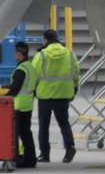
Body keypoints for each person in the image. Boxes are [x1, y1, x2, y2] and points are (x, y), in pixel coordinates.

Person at [32, 29, 80, 163]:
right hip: (63, 94)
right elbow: (76, 73)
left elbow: (34, 74)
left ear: (45, 40)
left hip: (45, 95)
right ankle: (70, 147)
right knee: (64, 123)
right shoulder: (69, 54)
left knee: (44, 125)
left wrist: (33, 90)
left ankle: (44, 153)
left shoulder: (41, 55)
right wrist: (74, 89)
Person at [4, 41, 38, 169]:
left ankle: (16, 159)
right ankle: (31, 159)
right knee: (26, 134)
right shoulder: (30, 67)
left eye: (15, 53)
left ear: (20, 54)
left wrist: (2, 98)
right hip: (28, 105)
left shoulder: (20, 70)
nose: (14, 55)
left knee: (15, 133)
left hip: (18, 106)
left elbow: (15, 89)